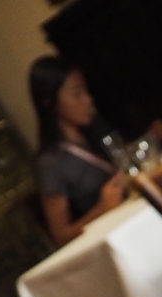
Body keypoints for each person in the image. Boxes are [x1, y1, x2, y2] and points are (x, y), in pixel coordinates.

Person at [28, 56, 125, 247]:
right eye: (76, 93)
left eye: (85, 90)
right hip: (108, 241)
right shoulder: (51, 163)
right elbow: (60, 236)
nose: (88, 99)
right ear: (49, 102)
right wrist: (101, 209)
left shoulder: (97, 129)